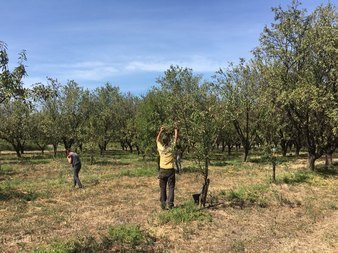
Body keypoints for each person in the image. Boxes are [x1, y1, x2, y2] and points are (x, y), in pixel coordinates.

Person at [156, 126, 178, 210]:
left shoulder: (161, 148)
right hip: (170, 170)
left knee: (162, 187)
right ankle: (170, 204)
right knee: (171, 187)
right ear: (169, 141)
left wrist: (160, 131)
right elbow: (175, 139)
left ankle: (163, 204)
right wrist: (175, 130)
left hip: (162, 170)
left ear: (163, 141)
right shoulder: (171, 148)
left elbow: (157, 140)